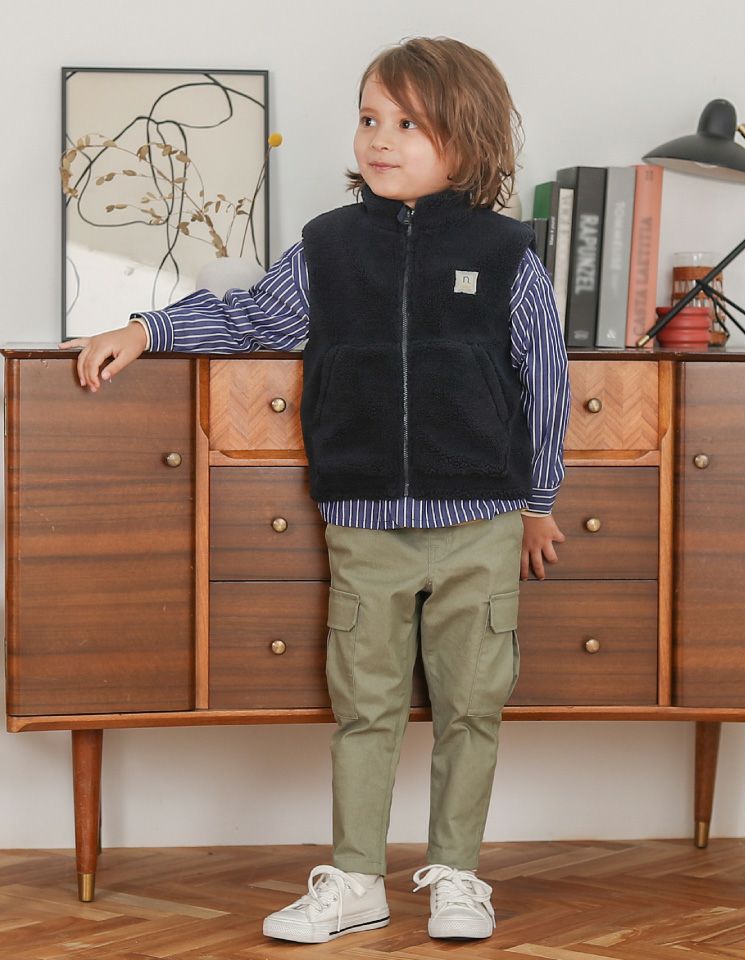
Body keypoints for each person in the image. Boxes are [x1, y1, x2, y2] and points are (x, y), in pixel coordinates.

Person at [60, 35, 570, 945]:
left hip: (481, 523)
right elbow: (253, 315)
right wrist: (147, 328)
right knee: (365, 708)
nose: (381, 139)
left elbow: (545, 378)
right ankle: (358, 880)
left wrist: (538, 502)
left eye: (408, 123)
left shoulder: (505, 254)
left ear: (467, 137)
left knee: (472, 706)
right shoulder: (329, 247)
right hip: (364, 522)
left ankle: (458, 875)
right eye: (371, 118)